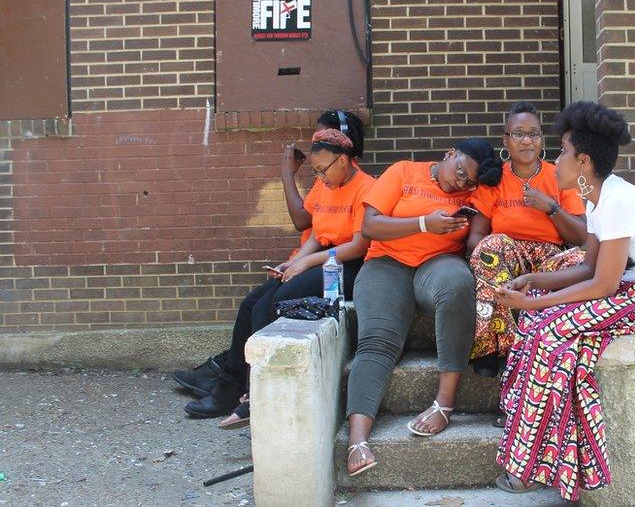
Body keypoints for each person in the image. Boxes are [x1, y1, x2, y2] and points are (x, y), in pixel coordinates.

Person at [491, 102, 635, 500]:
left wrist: (535, 304)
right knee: (539, 322)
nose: (557, 158)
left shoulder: (618, 201)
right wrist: (535, 282)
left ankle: (530, 465)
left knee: (550, 330)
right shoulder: (597, 198)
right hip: (634, 291)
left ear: (583, 161)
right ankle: (523, 423)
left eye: (563, 151)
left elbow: (603, 284)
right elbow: (588, 268)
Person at [172, 109, 369, 423]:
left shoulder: (365, 187)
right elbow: (317, 231)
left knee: (277, 300)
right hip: (322, 258)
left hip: (348, 264)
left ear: (343, 160)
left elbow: (357, 245)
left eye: (322, 171)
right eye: (316, 172)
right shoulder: (329, 184)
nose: (319, 178)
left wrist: (305, 262)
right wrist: (293, 262)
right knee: (253, 302)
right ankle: (235, 384)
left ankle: (253, 394)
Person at [344, 138, 502, 477]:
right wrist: (423, 224)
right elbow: (370, 226)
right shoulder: (403, 171)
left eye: (469, 182)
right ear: (449, 154)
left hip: (438, 263)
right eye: (461, 172)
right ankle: (357, 438)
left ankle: (444, 404)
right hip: (386, 262)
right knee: (378, 340)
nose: (461, 183)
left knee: (458, 284)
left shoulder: (472, 195)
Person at [465, 102, 588, 379]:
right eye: (518, 134)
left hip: (550, 255)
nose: (527, 140)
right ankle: (494, 348)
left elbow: (581, 235)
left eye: (534, 133)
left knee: (583, 259)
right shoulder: (494, 179)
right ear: (505, 141)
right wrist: (498, 258)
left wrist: (551, 208)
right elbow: (476, 236)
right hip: (506, 253)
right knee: (488, 249)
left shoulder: (558, 175)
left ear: (542, 139)